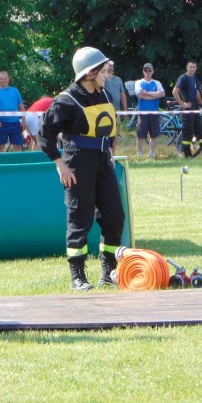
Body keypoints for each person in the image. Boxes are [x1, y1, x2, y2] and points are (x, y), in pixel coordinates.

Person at [39, 46, 125, 291]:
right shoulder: (65, 101)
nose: (107, 74)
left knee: (115, 216)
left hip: (102, 161)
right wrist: (60, 165)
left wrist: (110, 148)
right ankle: (78, 276)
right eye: (102, 71)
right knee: (80, 219)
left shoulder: (104, 94)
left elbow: (110, 125)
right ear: (89, 73)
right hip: (77, 162)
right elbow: (44, 134)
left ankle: (108, 272)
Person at [172, 59, 202, 158]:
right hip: (187, 110)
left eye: (194, 67)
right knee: (188, 133)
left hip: (195, 108)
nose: (192, 69)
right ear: (187, 67)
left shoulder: (194, 78)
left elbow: (197, 92)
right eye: (191, 67)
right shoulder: (183, 78)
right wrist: (182, 103)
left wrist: (201, 104)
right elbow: (174, 91)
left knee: (201, 131)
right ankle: (187, 155)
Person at [0, 71, 25, 152]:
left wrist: (24, 121)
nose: (3, 80)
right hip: (1, 123)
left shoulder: (15, 91)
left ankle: (17, 163)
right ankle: (0, 163)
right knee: (0, 146)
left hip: (15, 123)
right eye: (1, 79)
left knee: (17, 146)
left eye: (5, 78)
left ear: (8, 79)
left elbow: (21, 106)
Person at [134, 62, 166, 158]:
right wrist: (155, 95)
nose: (147, 72)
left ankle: (152, 153)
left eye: (149, 70)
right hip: (142, 113)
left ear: (153, 71)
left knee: (154, 135)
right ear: (143, 71)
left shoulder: (157, 83)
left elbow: (162, 94)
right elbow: (139, 95)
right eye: (145, 70)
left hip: (154, 113)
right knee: (141, 135)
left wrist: (147, 93)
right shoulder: (139, 82)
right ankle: (139, 154)